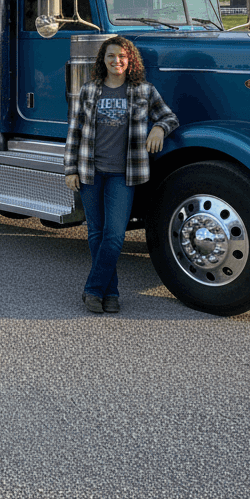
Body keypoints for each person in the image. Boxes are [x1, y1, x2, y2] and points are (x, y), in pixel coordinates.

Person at [63, 35, 179, 314]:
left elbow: (169, 116)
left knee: (114, 235)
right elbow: (74, 132)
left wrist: (159, 128)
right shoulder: (89, 90)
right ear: (102, 60)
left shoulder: (144, 91)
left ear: (131, 61)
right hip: (90, 171)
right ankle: (111, 292)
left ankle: (93, 289)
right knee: (96, 233)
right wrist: (70, 169)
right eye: (111, 56)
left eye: (123, 57)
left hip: (123, 175)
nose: (117, 61)